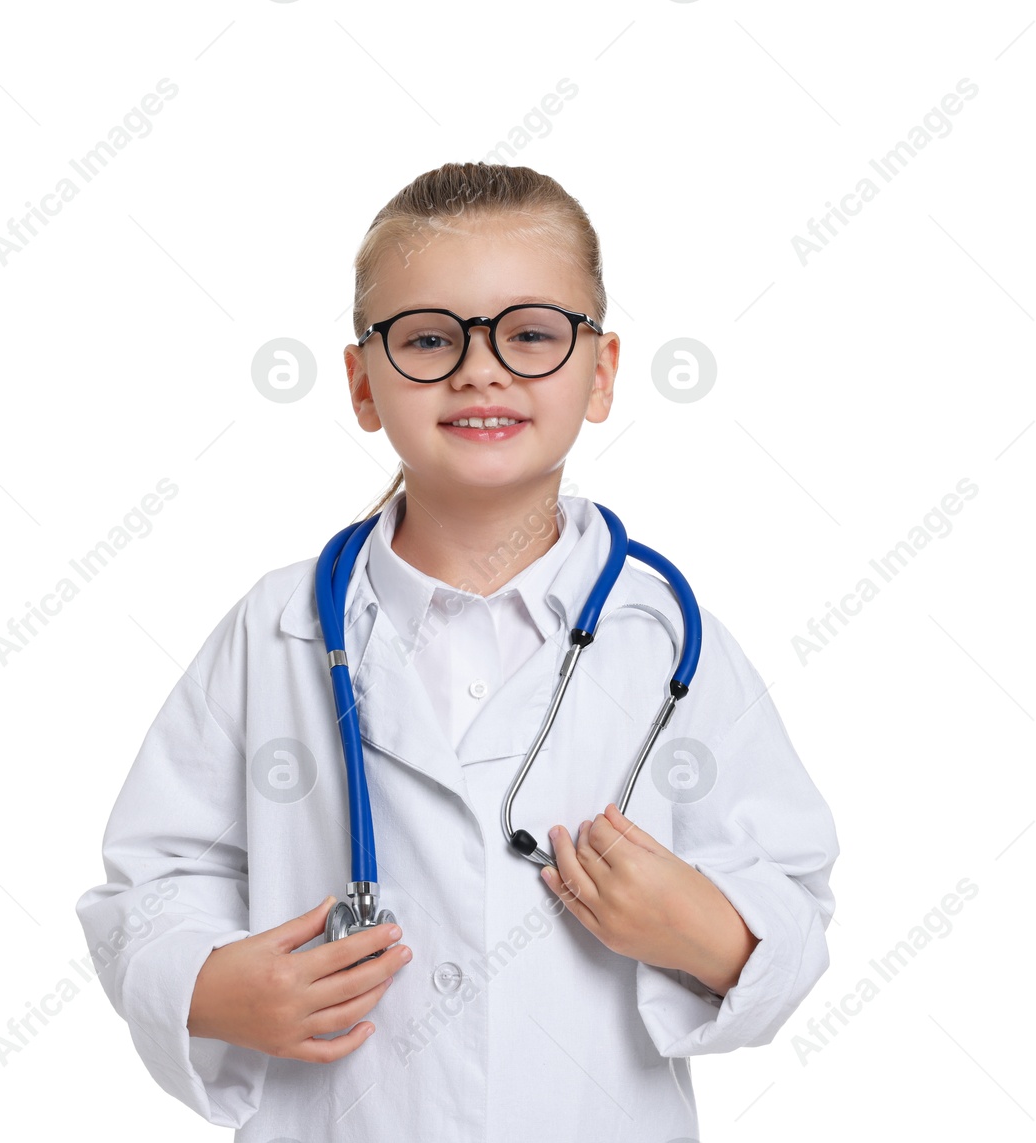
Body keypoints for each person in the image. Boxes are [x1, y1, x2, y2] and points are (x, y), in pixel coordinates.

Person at [75, 161, 840, 1141]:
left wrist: (714, 934)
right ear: (362, 382)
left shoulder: (667, 641)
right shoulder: (278, 633)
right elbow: (158, 874)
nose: (482, 370)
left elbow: (794, 891)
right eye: (429, 339)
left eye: (530, 334)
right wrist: (210, 986)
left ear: (599, 372)